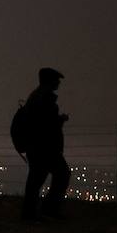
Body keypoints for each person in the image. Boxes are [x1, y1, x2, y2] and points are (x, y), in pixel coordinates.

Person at [21, 67, 71, 221]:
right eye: (56, 80)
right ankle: (47, 210)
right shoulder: (44, 99)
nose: (58, 83)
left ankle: (31, 213)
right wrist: (60, 120)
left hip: (37, 146)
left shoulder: (36, 97)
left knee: (36, 180)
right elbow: (46, 124)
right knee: (61, 174)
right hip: (45, 147)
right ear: (50, 81)